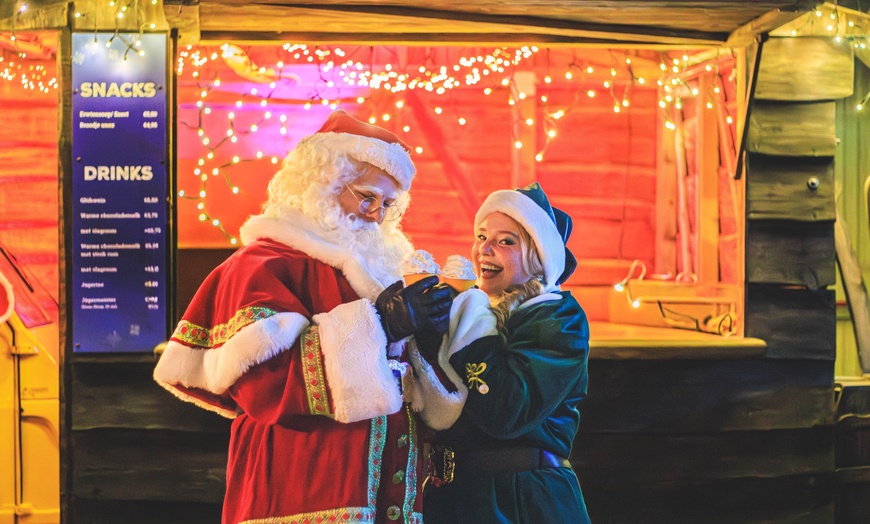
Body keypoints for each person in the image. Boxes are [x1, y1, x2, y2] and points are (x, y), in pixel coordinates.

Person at [153, 110, 455, 524]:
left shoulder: (379, 272)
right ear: (324, 184)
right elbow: (265, 380)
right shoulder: (264, 264)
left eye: (387, 204)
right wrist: (381, 325)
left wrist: (429, 339)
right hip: (301, 486)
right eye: (365, 196)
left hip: (384, 494)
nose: (376, 214)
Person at [410, 182, 591, 523]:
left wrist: (470, 322)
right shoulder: (469, 315)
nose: (485, 248)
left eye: (506, 241)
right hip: (455, 499)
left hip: (519, 503)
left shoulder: (556, 317)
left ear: (539, 256)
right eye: (481, 236)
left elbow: (508, 411)